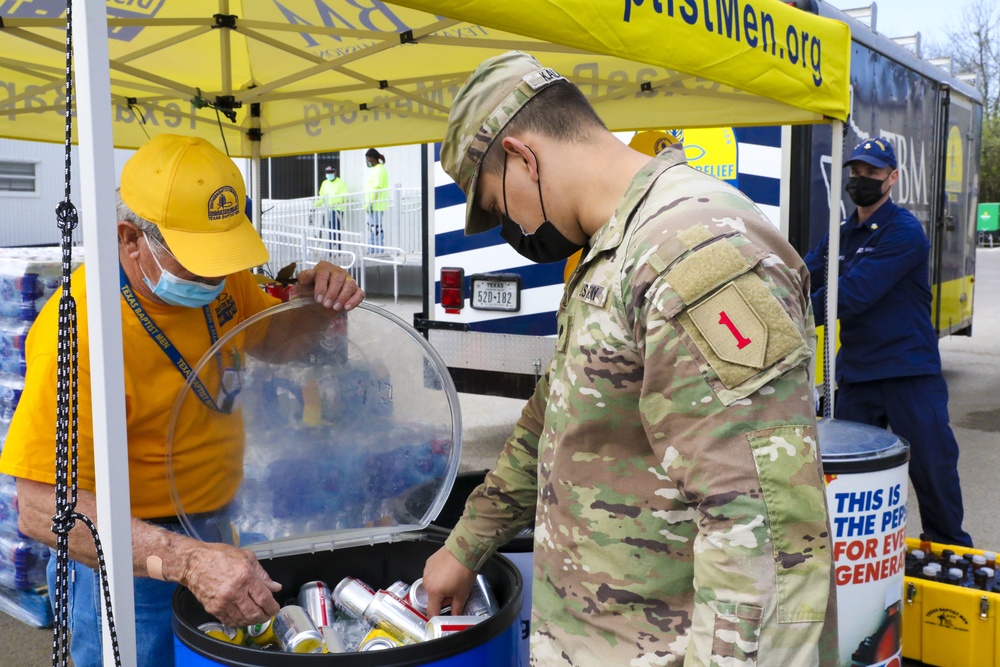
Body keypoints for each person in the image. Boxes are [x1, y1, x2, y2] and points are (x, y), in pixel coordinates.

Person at [421, 51, 837, 666]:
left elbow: (766, 533)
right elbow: (553, 418)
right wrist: (466, 546)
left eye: (497, 205)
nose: (508, 228)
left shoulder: (690, 252)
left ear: (522, 157)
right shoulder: (611, 248)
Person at [0, 134, 365, 667]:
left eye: (224, 257)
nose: (216, 277)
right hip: (127, 553)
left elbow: (272, 343)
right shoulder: (79, 331)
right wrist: (186, 561)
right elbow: (40, 510)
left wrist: (316, 305)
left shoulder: (222, 280)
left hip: (217, 524)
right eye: (198, 259)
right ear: (130, 239)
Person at [804, 137, 972, 548]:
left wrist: (790, 313)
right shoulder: (840, 233)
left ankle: (950, 553)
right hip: (859, 375)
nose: (861, 180)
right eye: (856, 173)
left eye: (872, 173)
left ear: (892, 178)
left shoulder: (904, 232)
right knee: (848, 477)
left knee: (933, 471)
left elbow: (852, 294)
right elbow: (804, 275)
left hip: (908, 373)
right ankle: (854, 559)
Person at [315, 164, 348, 242]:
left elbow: (344, 197)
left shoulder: (340, 183)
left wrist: (333, 203)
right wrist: (316, 204)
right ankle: (330, 252)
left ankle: (338, 251)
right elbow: (322, 197)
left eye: (331, 173)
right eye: (328, 173)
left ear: (335, 173)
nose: (329, 175)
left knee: (335, 229)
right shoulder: (324, 183)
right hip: (327, 210)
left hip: (337, 210)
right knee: (325, 227)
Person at [364, 148, 389, 248]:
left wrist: (370, 203)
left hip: (376, 205)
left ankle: (377, 249)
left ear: (372, 158)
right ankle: (373, 248)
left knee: (376, 228)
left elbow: (377, 188)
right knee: (373, 227)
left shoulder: (379, 170)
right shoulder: (376, 169)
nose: (366, 161)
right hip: (374, 205)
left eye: (367, 159)